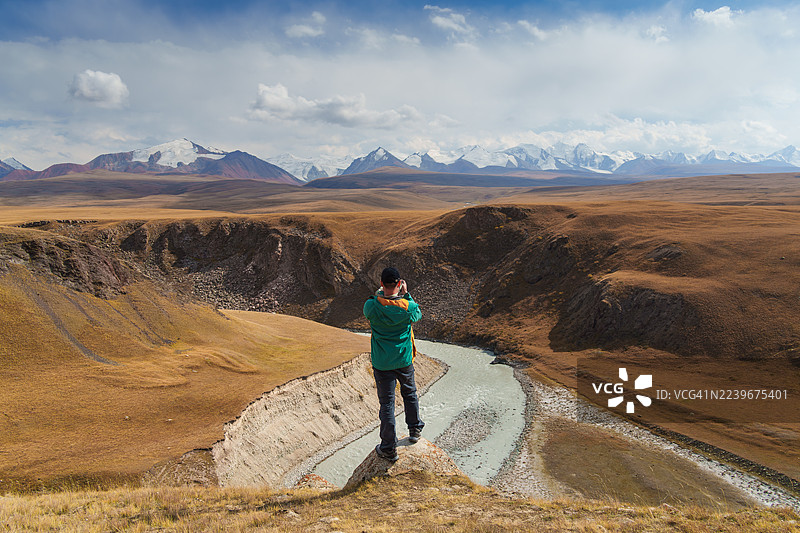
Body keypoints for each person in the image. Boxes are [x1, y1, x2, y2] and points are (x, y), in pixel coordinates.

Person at [363, 267, 424, 462]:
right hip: (404, 359)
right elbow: (417, 314)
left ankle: (389, 447)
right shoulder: (408, 307)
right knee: (410, 393)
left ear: (381, 284)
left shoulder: (371, 306)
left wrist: (381, 294)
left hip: (382, 363)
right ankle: (414, 430)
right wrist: (407, 295)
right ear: (399, 284)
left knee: (387, 403)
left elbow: (372, 305)